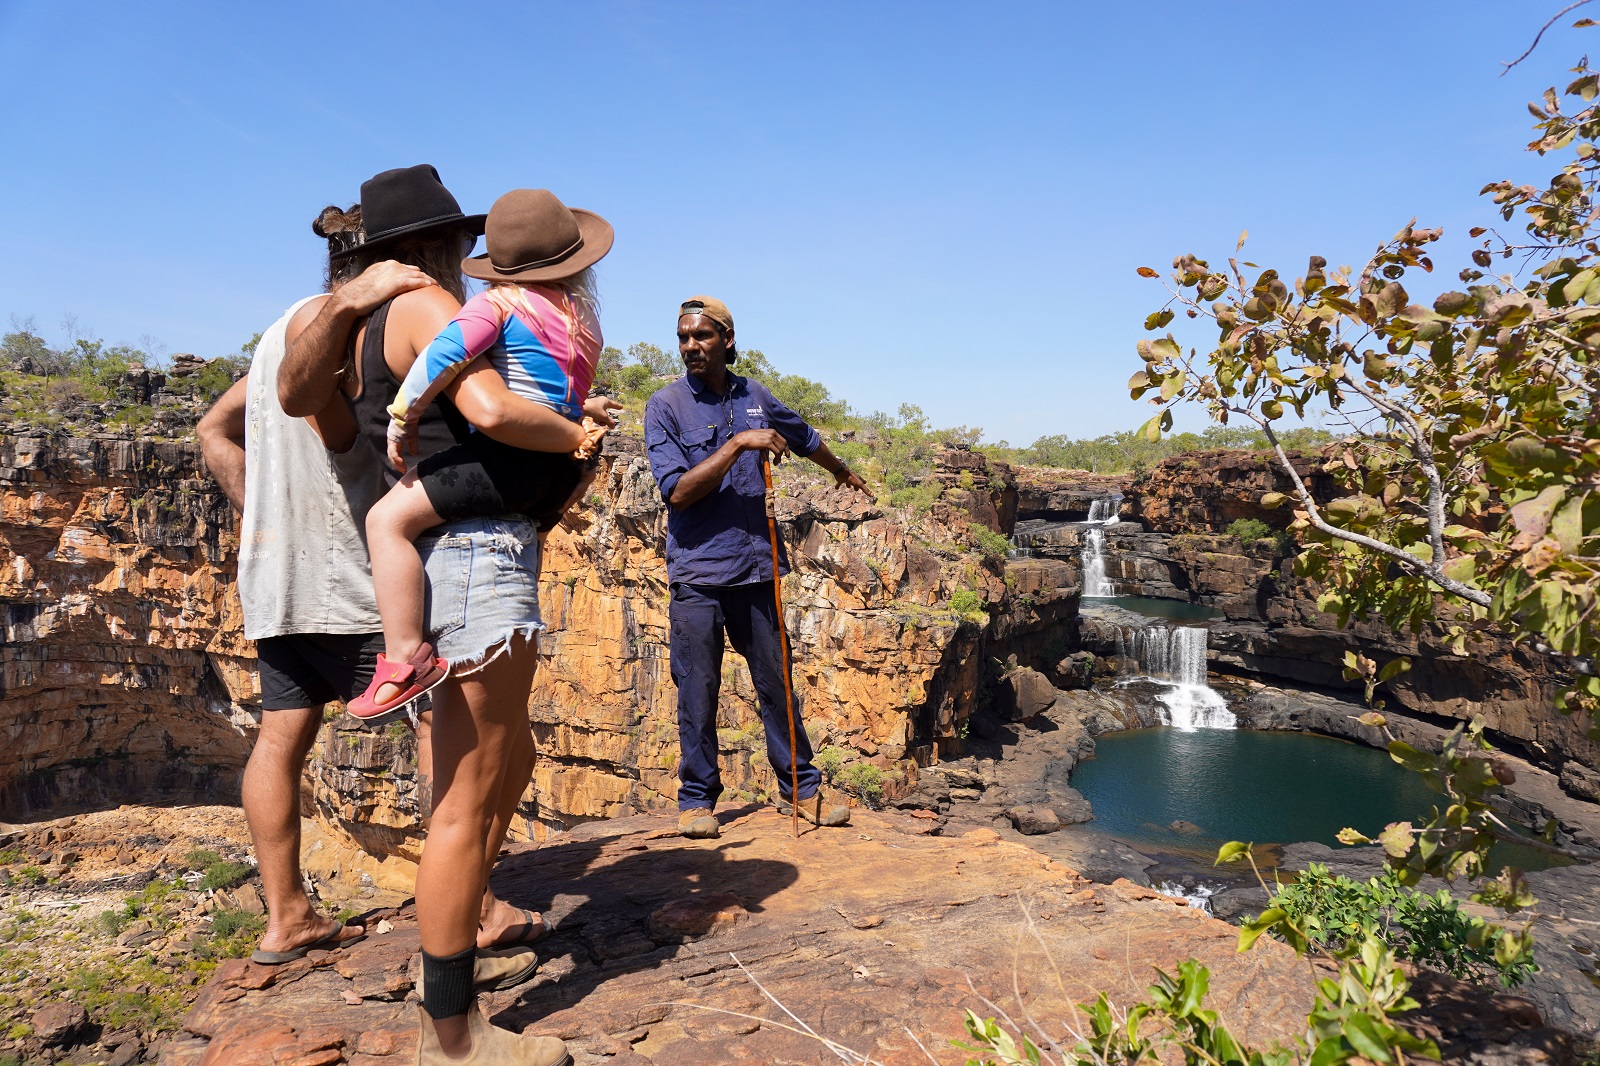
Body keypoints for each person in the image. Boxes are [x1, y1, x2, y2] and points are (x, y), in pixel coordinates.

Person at [279, 166, 607, 1065]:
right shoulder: (423, 302)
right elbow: (484, 408)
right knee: (466, 798)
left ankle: (464, 950)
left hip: (460, 554)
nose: (462, 263)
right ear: (427, 247)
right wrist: (571, 429)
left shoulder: (364, 325)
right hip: (474, 555)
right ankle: (454, 1040)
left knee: (500, 766)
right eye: (451, 246)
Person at [349, 188, 614, 719]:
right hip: (557, 472)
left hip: (505, 460)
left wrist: (404, 417)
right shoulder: (583, 318)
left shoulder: (495, 305)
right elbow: (551, 388)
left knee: (385, 522)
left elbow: (442, 355)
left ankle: (403, 660)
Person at [644, 296, 872, 840]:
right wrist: (740, 443)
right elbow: (678, 491)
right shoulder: (666, 405)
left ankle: (803, 790)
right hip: (699, 575)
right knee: (697, 689)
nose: (691, 347)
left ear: (726, 339)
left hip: (757, 571)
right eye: (683, 337)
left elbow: (803, 435)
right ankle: (697, 801)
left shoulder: (754, 395)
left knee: (777, 684)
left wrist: (842, 471)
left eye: (701, 336)